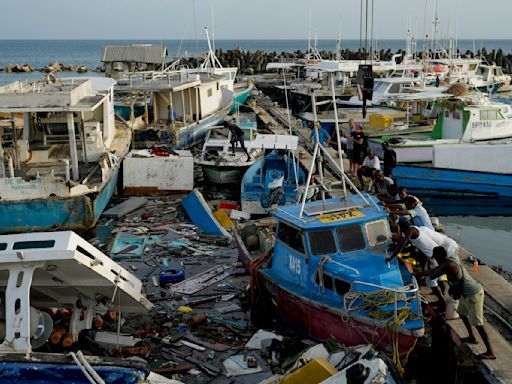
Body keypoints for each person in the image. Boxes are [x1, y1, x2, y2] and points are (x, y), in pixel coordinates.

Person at [415, 246, 496, 360]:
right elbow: (435, 271)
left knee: (478, 323)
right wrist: (420, 273)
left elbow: (433, 274)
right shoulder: (448, 261)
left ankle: (490, 352)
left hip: (473, 294)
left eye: (435, 257)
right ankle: (472, 337)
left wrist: (420, 273)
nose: (434, 259)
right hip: (464, 293)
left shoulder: (448, 265)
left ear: (439, 257)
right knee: (462, 313)